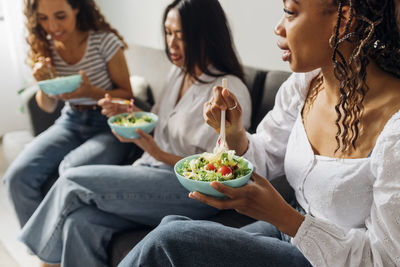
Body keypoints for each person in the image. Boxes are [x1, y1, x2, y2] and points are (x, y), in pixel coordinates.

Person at [118, 0, 400, 266]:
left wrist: (285, 218)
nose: (278, 27)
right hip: (286, 232)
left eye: (290, 12)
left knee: (169, 242)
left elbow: (385, 260)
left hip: (324, 257)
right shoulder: (305, 85)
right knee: (173, 225)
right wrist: (235, 134)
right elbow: (264, 155)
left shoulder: (395, 131)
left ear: (344, 19)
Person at [17, 0, 252, 266]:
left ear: (206, 36)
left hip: (191, 193)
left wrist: (159, 154)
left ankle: (43, 261)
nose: (171, 44)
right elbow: (159, 121)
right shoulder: (178, 73)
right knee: (80, 222)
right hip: (150, 170)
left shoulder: (227, 91)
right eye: (168, 32)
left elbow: (220, 169)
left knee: (72, 180)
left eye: (182, 36)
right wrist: (127, 112)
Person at [3, 0, 134, 230]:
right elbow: (46, 106)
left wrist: (90, 92)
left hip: (109, 124)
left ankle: (51, 253)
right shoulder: (45, 46)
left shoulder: (104, 41)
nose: (53, 26)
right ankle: (47, 255)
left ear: (76, 8)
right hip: (71, 120)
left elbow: (127, 95)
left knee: (70, 170)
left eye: (60, 16)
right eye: (43, 18)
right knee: (16, 177)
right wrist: (43, 83)